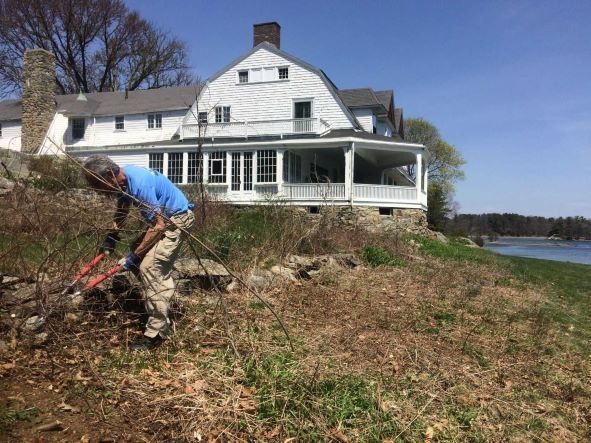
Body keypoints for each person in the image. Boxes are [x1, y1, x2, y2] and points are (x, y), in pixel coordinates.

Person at [82, 154, 194, 351]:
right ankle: (158, 300)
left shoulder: (140, 185)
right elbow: (122, 208)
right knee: (139, 263)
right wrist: (112, 236)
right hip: (163, 220)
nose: (99, 192)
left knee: (150, 266)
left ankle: (156, 333)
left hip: (177, 220)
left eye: (99, 186)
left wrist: (134, 255)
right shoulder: (123, 181)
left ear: (110, 174)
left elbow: (159, 226)